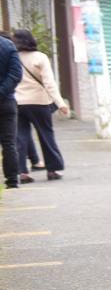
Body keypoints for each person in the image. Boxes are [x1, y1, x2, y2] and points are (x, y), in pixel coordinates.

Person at [11, 29, 70, 182]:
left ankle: (22, 173)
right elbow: (49, 83)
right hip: (39, 103)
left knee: (20, 138)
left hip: (17, 102)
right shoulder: (40, 57)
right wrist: (60, 103)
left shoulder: (12, 57)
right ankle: (52, 170)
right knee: (46, 135)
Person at [0, 34, 22, 190]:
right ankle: (12, 180)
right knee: (9, 143)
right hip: (6, 101)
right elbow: (16, 74)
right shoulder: (8, 46)